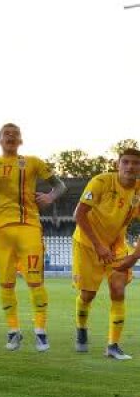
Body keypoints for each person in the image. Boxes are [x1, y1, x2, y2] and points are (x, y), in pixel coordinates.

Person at [0, 124, 66, 352]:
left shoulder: (33, 161)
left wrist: (51, 196)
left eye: (15, 134)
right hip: (1, 232)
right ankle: (13, 331)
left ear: (21, 140)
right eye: (7, 134)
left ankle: (41, 332)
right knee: (6, 284)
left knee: (35, 281)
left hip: (29, 228)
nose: (11, 137)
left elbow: (60, 185)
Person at [71, 148, 140, 360]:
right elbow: (78, 214)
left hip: (116, 244)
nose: (130, 167)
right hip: (86, 243)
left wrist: (135, 255)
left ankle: (113, 345)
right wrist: (98, 245)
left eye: (135, 163)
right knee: (87, 295)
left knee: (118, 290)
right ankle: (81, 328)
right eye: (125, 162)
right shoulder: (101, 182)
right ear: (117, 164)